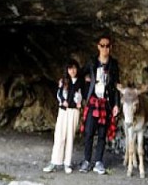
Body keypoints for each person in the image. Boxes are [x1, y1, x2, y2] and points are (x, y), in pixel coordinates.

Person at [78, 34, 120, 175]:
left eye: (107, 46)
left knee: (102, 134)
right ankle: (86, 161)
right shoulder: (92, 62)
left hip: (106, 103)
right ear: (98, 47)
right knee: (89, 132)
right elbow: (79, 75)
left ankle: (98, 162)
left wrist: (116, 104)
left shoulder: (113, 64)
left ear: (111, 48)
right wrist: (85, 82)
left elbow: (115, 86)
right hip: (93, 101)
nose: (105, 48)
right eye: (102, 45)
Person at [43, 59, 83, 174]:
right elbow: (59, 93)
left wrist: (80, 103)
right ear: (67, 70)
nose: (73, 71)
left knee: (70, 137)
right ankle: (54, 161)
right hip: (63, 111)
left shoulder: (80, 81)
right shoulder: (64, 81)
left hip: (74, 111)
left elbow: (84, 94)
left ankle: (67, 163)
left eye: (74, 68)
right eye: (70, 68)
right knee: (59, 136)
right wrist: (62, 101)